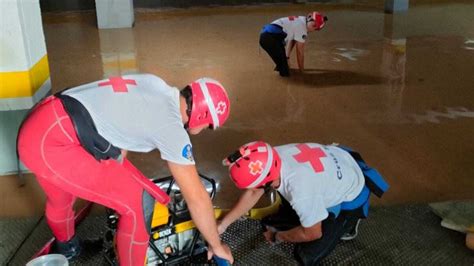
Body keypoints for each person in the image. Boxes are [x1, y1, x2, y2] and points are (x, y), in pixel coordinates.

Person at [17, 74, 234, 265]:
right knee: (139, 205)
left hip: (41, 124)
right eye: (209, 125)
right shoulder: (172, 129)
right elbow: (196, 197)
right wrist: (216, 245)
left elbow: (120, 115)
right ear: (202, 115)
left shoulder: (156, 84)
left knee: (62, 196)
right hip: (56, 143)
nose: (206, 129)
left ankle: (68, 249)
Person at [218, 141, 389, 265]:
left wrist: (278, 237)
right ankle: (313, 211)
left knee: (307, 255)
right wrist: (223, 225)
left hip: (352, 192)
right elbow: (255, 191)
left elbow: (313, 233)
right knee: (275, 221)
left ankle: (349, 223)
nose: (252, 189)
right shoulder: (269, 157)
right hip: (333, 166)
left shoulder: (300, 190)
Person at [259, 12, 328, 77]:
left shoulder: (301, 20)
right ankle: (283, 76)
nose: (313, 29)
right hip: (271, 38)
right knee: (285, 72)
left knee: (283, 65)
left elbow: (293, 40)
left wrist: (287, 57)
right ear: (309, 18)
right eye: (313, 25)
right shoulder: (302, 29)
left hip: (267, 35)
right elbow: (300, 52)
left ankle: (282, 67)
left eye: (316, 28)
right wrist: (302, 71)